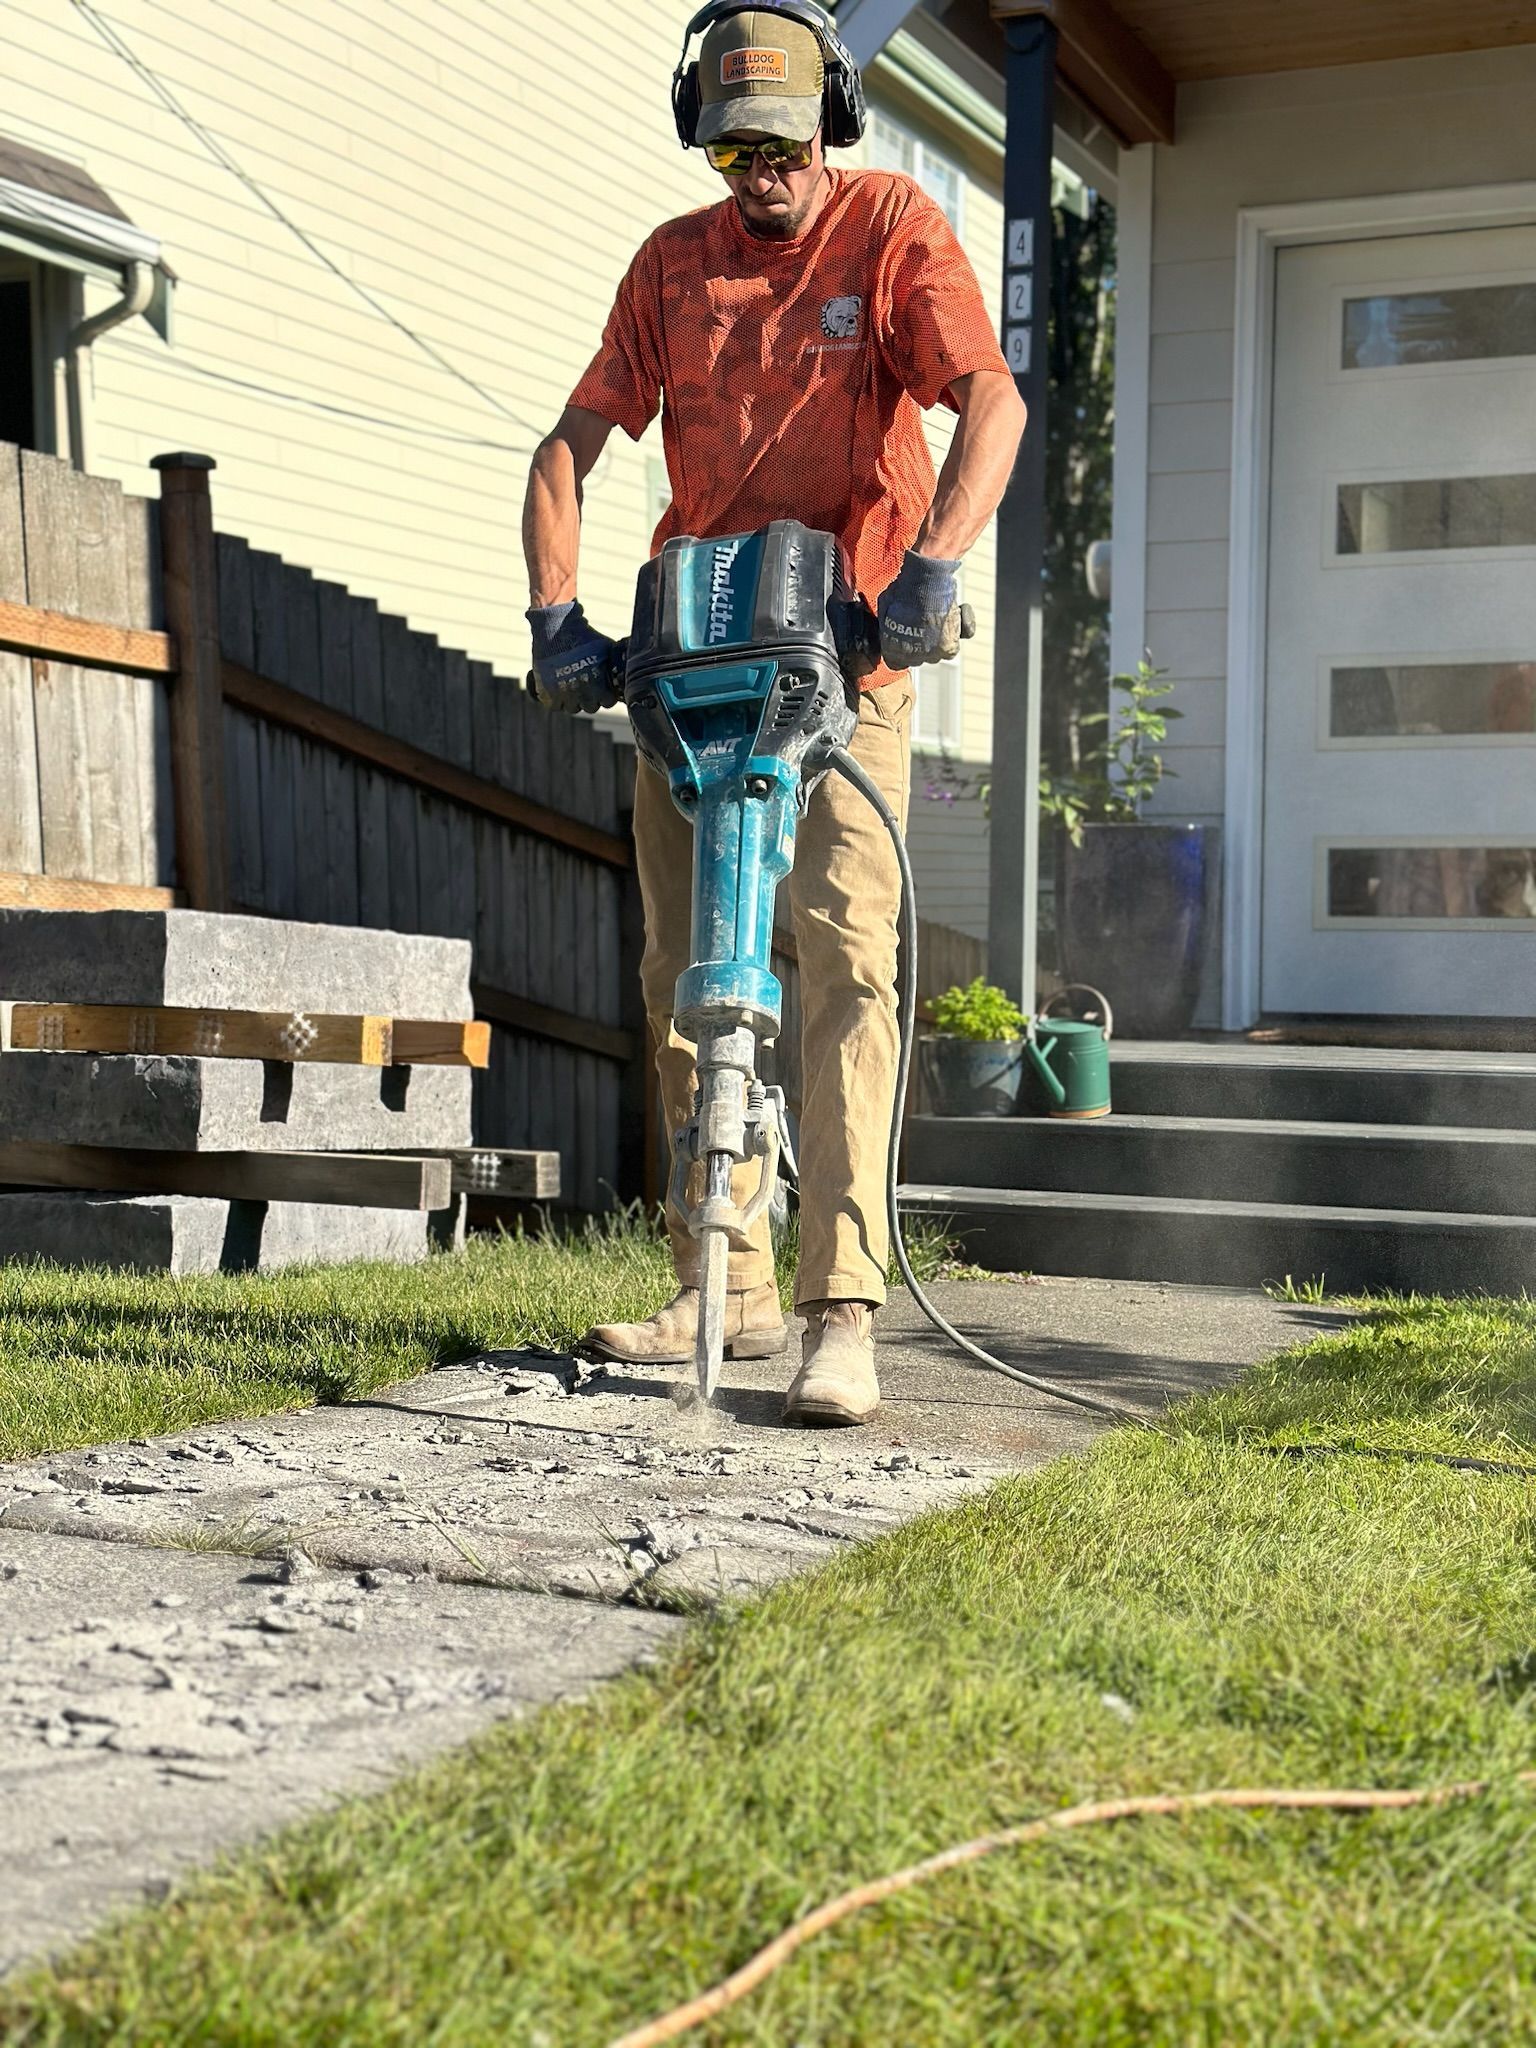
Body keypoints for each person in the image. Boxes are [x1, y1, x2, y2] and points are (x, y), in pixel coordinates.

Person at [521, 0, 1025, 1424]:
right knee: (688, 976)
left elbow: (990, 403)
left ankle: (839, 1309)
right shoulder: (670, 266)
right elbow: (572, 442)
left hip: (848, 669)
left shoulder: (890, 229)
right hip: (691, 680)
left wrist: (931, 572)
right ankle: (718, 1281)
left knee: (848, 970)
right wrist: (559, 612)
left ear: (834, 119)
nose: (765, 177)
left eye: (786, 146)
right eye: (737, 150)